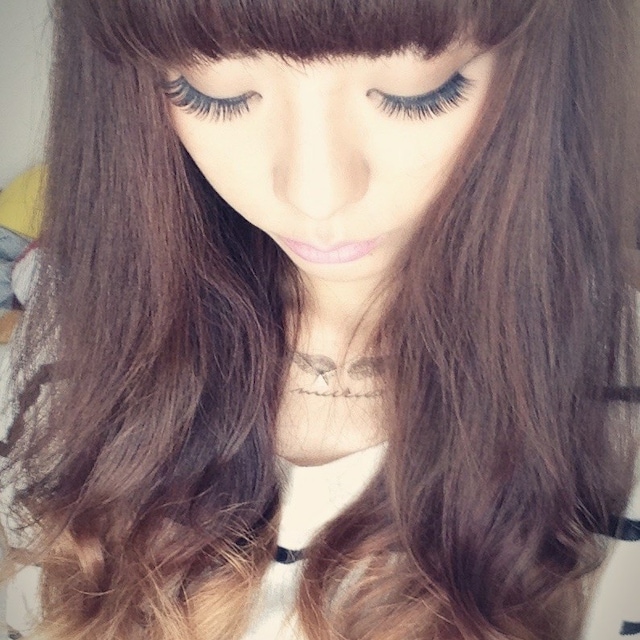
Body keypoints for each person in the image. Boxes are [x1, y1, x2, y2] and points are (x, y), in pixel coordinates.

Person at [1, 0, 639, 638]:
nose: (315, 196)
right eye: (214, 92)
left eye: (416, 91)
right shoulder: (72, 334)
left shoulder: (620, 407)